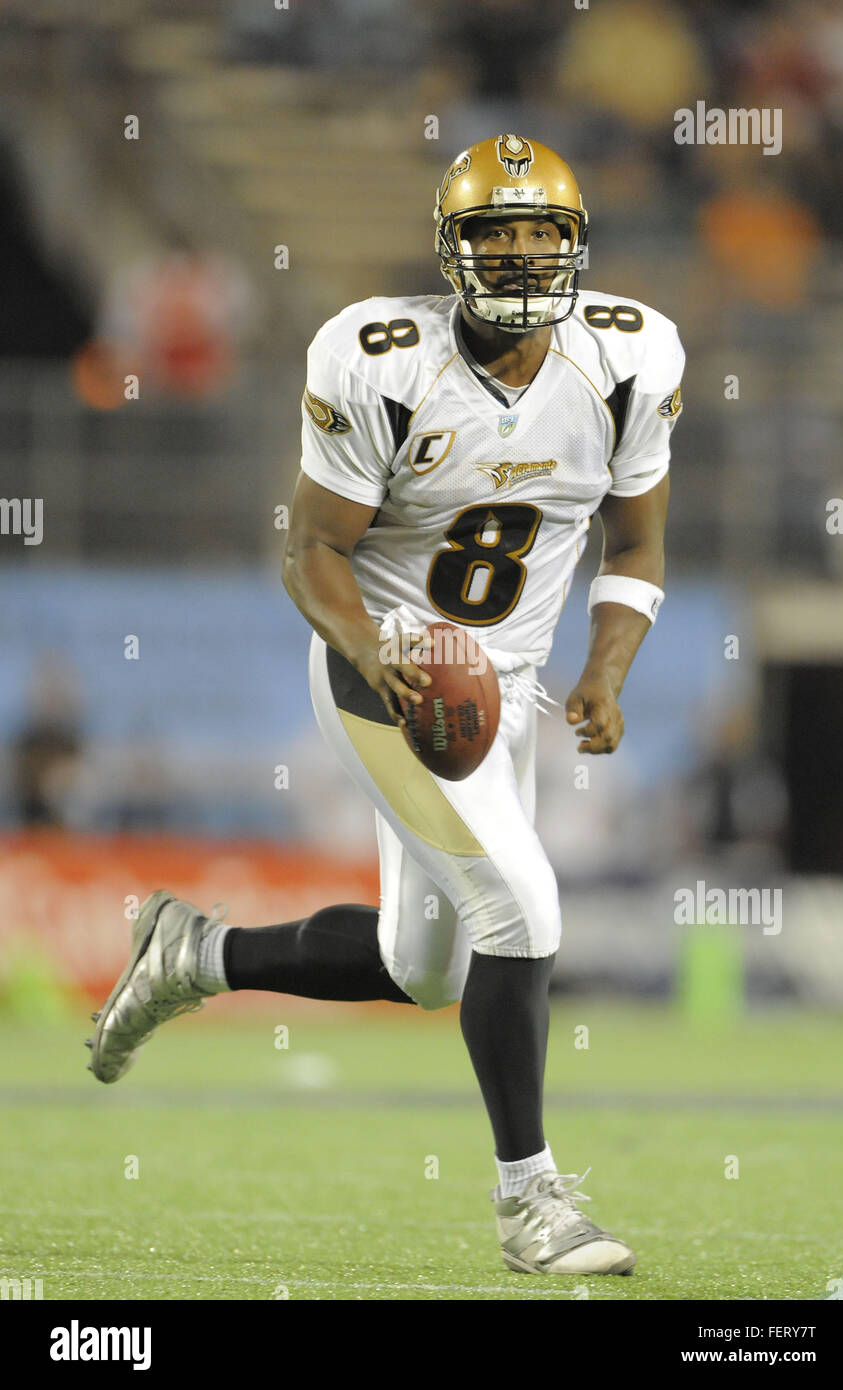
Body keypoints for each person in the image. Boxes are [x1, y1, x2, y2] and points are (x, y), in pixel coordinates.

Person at [87, 134, 684, 1278]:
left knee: (428, 968)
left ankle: (193, 952)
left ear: (575, 244)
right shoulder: (377, 357)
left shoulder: (627, 357)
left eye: (538, 234)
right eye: (492, 235)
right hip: (387, 671)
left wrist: (605, 668)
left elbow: (638, 538)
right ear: (449, 249)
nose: (516, 258)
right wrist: (377, 648)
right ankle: (530, 1204)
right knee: (523, 909)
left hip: (504, 688)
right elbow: (310, 550)